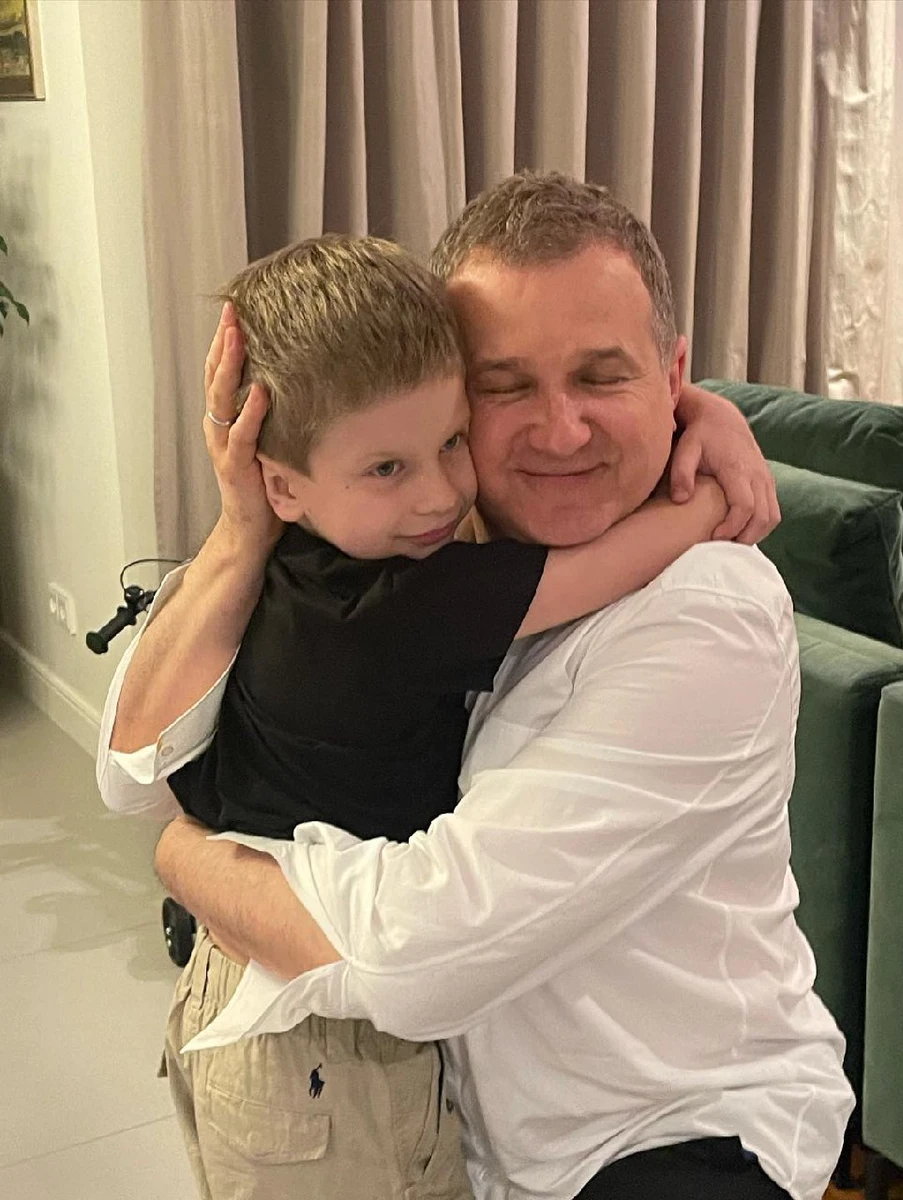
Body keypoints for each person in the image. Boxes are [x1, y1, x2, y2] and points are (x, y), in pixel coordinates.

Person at [99, 172, 855, 1199]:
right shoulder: (426, 536)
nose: (560, 429)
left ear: (674, 377)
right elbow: (130, 763)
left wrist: (187, 855)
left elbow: (418, 958)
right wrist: (244, 530)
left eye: (603, 376)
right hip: (460, 1132)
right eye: (505, 387)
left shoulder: (706, 610)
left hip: (664, 1133)